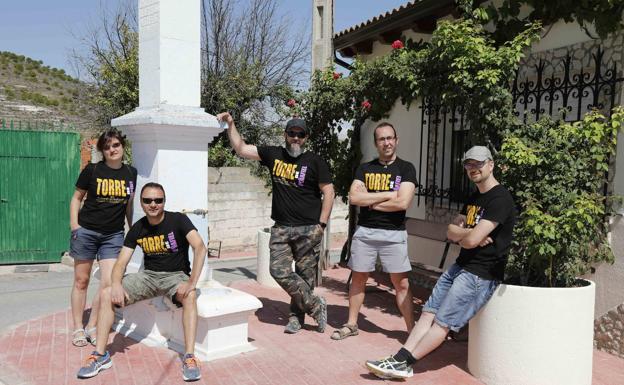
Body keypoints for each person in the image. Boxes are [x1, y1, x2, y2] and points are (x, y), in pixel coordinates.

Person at [365, 145, 516, 379]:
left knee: (443, 323)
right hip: (460, 267)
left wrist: (466, 234)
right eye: (468, 164)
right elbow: (452, 231)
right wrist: (468, 234)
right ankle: (399, 359)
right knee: (428, 312)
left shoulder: (500, 199)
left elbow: (466, 238)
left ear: (491, 165)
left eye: (478, 163)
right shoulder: (475, 197)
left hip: (479, 274)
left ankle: (406, 364)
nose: (473, 168)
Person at [76, 182, 207, 382]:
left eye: (158, 200)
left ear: (164, 202)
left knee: (189, 296)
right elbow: (120, 263)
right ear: (141, 203)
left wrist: (191, 282)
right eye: (148, 200)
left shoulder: (179, 220)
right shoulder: (138, 228)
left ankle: (189, 357)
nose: (153, 204)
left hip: (175, 276)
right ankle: (101, 354)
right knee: (106, 293)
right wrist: (117, 284)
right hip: (149, 276)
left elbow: (200, 247)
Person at [217, 112, 334, 334]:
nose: (296, 138)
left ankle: (296, 318)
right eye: (292, 133)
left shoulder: (315, 161)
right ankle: (315, 304)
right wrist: (230, 124)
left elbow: (328, 192)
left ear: (306, 138)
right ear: (285, 135)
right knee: (278, 270)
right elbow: (241, 148)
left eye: (300, 134)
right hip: (281, 227)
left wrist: (322, 225)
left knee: (305, 275)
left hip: (309, 228)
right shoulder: (274, 154)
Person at [331, 122, 416, 340]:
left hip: (394, 234)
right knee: (359, 278)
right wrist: (389, 194)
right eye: (381, 139)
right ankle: (351, 324)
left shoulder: (406, 168)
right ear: (376, 143)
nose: (386, 142)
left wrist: (371, 201)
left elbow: (403, 203)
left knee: (402, 283)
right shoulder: (365, 168)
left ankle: (411, 331)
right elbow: (354, 198)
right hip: (365, 233)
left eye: (390, 138)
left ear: (396, 140)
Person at [69, 128, 137, 347]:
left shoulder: (131, 173)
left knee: (108, 282)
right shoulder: (92, 169)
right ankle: (78, 327)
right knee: (82, 281)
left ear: (122, 147)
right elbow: (76, 198)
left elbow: (129, 205)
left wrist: (132, 230)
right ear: (102, 150)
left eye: (116, 145)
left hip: (113, 235)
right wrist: (75, 227)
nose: (112, 150)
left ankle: (93, 325)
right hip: (86, 231)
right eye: (107, 147)